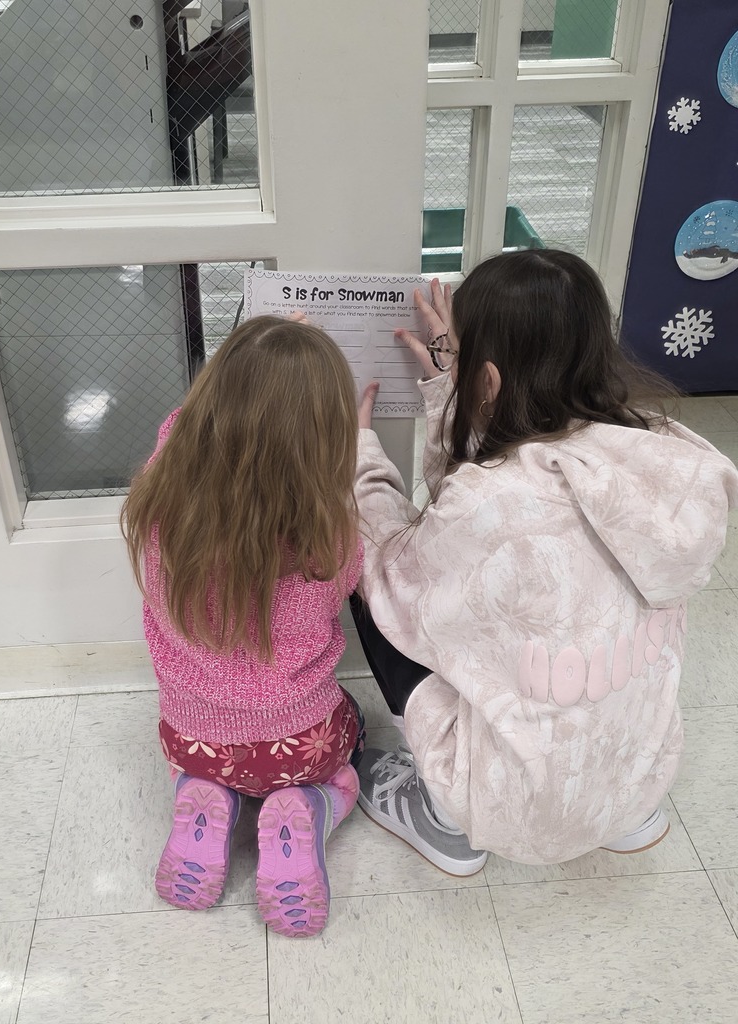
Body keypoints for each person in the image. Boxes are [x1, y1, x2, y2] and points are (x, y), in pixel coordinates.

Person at [352, 249, 738, 873]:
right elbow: (502, 481)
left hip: (512, 803)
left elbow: (404, 569)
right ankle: (624, 812)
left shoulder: (489, 500)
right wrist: (451, 386)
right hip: (638, 770)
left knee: (372, 578)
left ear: (492, 380)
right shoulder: (663, 452)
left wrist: (361, 460)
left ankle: (447, 822)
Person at [122, 315, 363, 937]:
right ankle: (308, 801)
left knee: (203, 763)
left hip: (193, 737)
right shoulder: (328, 535)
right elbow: (354, 574)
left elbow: (177, 431)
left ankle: (203, 800)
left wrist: (255, 367)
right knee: (352, 744)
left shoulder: (158, 503)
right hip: (298, 742)